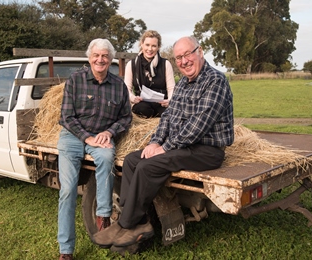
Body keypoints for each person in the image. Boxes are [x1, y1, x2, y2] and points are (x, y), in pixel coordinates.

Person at [92, 36, 234, 248]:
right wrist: (154, 143)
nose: (184, 61)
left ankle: (124, 224)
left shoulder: (215, 81)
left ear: (200, 51)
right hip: (184, 147)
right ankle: (139, 223)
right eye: (178, 58)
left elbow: (198, 125)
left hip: (207, 150)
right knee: (132, 160)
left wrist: (165, 148)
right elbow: (167, 118)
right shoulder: (184, 84)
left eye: (187, 54)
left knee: (148, 166)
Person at [57, 38, 132, 260]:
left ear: (111, 60)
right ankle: (66, 249)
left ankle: (103, 216)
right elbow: (66, 117)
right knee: (68, 190)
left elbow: (126, 117)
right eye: (96, 55)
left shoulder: (118, 85)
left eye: (105, 56)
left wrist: (109, 133)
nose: (100, 59)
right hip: (73, 137)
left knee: (108, 156)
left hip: (101, 137)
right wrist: (86, 137)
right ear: (89, 58)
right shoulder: (75, 80)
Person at [124, 30, 175, 118]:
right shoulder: (131, 65)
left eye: (154, 46)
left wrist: (169, 100)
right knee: (141, 109)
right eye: (147, 45)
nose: (150, 49)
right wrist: (133, 98)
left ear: (158, 47)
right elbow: (126, 89)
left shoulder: (166, 64)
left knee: (168, 114)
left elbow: (171, 88)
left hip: (161, 104)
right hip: (142, 103)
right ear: (142, 44)